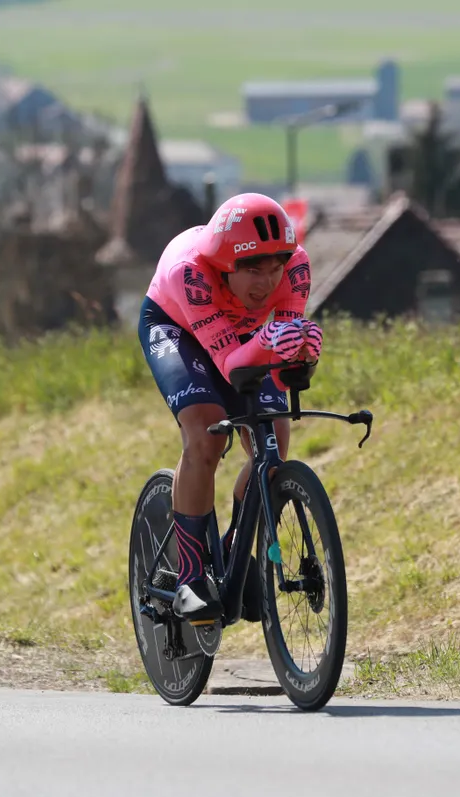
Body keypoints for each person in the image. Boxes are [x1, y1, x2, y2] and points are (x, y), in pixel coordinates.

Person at [138, 193, 324, 625]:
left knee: (273, 447)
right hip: (178, 328)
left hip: (241, 339)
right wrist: (274, 339)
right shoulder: (193, 275)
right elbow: (230, 365)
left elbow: (283, 340)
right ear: (225, 266)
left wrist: (304, 355)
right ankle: (188, 576)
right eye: (253, 270)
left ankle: (235, 547)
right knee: (207, 436)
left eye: (274, 267)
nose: (267, 281)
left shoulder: (296, 268)